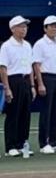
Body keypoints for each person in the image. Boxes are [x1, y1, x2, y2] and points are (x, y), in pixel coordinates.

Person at [0, 16, 36, 157]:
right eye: (21, 26)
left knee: (25, 114)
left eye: (25, 27)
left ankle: (22, 143)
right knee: (13, 114)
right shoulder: (6, 46)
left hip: (26, 80)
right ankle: (11, 146)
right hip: (13, 80)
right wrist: (7, 88)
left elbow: (30, 66)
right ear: (13, 29)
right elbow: (3, 69)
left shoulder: (27, 45)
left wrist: (32, 85)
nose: (24, 29)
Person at [32, 16, 56, 154]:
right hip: (46, 77)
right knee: (46, 111)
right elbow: (37, 65)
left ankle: (55, 142)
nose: (54, 29)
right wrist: (40, 84)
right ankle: (44, 143)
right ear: (45, 28)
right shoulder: (40, 44)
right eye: (51, 26)